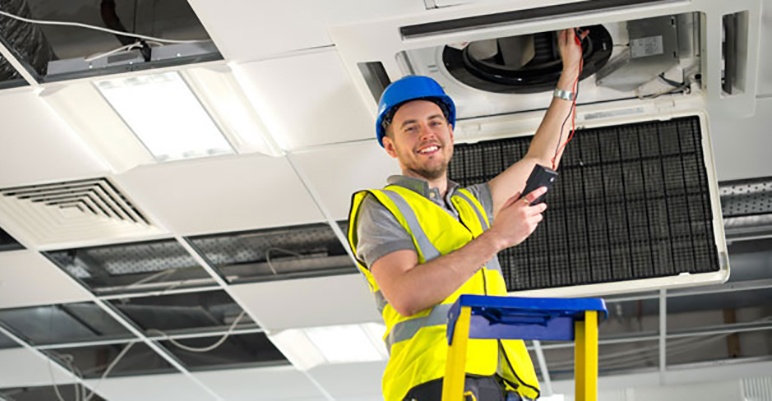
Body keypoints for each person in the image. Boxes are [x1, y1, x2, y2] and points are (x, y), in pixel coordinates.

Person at [347, 28, 586, 401]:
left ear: (451, 134)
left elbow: (541, 159)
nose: (426, 133)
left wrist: (569, 71)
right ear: (390, 146)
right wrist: (497, 238)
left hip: (494, 384)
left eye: (435, 122)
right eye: (410, 128)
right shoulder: (381, 207)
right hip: (432, 382)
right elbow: (407, 295)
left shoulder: (472, 205)